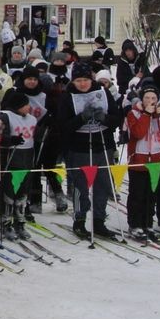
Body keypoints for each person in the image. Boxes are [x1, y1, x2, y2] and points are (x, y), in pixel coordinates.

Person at [55, 62, 121, 240]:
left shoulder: (103, 92)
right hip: (79, 149)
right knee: (80, 186)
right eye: (78, 80)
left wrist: (104, 118)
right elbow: (63, 126)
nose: (82, 84)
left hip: (102, 145)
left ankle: (99, 220)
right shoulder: (67, 97)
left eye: (85, 80)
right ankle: (79, 220)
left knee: (103, 186)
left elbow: (117, 119)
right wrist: (81, 118)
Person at [123, 85, 160, 240]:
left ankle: (148, 223)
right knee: (137, 195)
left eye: (153, 98)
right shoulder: (134, 114)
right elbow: (138, 133)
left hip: (156, 160)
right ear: (142, 99)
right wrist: (146, 114)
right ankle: (135, 224)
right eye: (147, 98)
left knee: (152, 195)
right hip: (139, 160)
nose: (150, 101)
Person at [0, 88, 38, 241]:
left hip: (27, 156)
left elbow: (34, 135)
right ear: (18, 106)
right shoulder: (6, 116)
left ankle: (20, 221)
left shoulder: (32, 118)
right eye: (25, 105)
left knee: (23, 192)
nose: (28, 107)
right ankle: (6, 222)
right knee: (10, 191)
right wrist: (11, 140)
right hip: (12, 157)